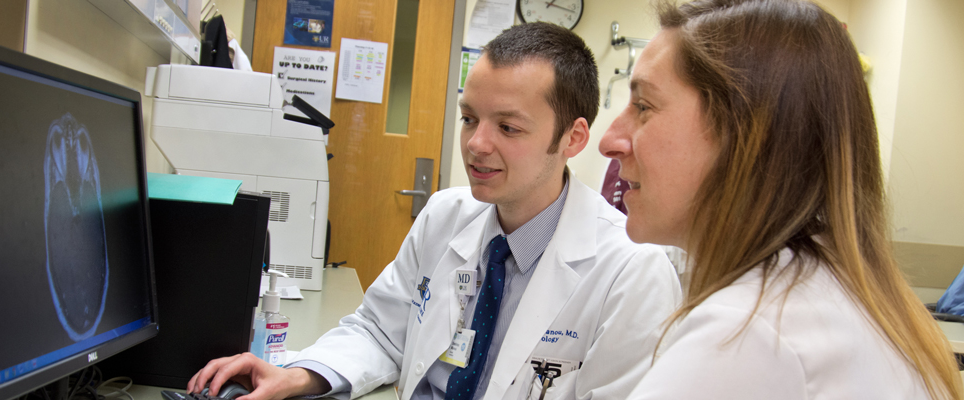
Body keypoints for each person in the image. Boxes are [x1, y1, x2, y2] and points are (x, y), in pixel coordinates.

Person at [189, 22, 682, 400]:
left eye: (508, 128)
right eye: (469, 118)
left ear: (572, 139)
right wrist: (299, 375)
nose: (476, 144)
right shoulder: (447, 214)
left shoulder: (631, 273)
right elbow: (381, 331)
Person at [598, 0, 963, 399]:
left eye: (644, 106)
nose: (610, 142)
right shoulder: (838, 299)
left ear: (749, 134)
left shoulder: (748, 334)